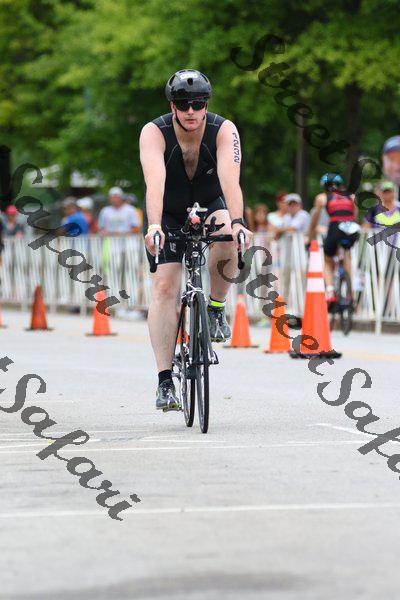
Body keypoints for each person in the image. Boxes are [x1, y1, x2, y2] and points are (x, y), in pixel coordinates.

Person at [139, 68, 252, 411]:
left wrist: (239, 222)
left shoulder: (223, 129)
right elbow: (154, 182)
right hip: (168, 211)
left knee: (228, 233)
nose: (191, 111)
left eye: (198, 103)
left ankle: (216, 307)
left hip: (210, 204)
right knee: (164, 288)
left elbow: (230, 180)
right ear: (172, 106)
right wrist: (154, 226)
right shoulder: (154, 132)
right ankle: (164, 381)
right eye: (183, 104)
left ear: (207, 104)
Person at [309, 173, 359, 308]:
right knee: (347, 254)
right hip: (350, 227)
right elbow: (354, 216)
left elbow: (314, 220)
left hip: (335, 226)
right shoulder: (351, 196)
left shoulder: (322, 197)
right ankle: (350, 292)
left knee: (327, 259)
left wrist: (310, 233)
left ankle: (330, 291)